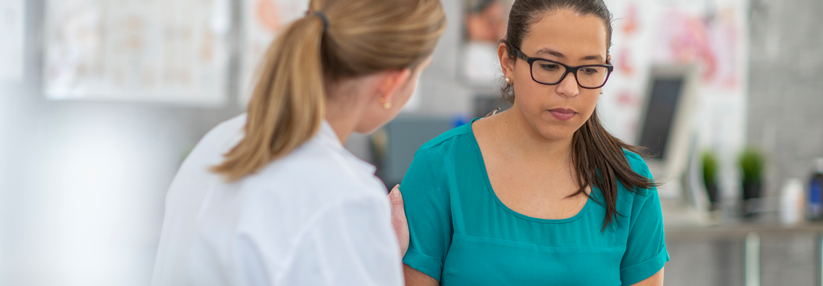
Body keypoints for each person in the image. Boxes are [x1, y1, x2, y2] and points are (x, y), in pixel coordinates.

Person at [150, 0, 446, 284]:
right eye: (419, 73)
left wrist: (368, 252)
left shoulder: (219, 142)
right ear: (392, 83)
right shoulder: (346, 198)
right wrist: (374, 255)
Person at [393, 0, 669, 285]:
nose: (570, 89)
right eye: (549, 65)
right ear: (507, 61)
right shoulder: (439, 168)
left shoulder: (629, 181)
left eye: (589, 70)